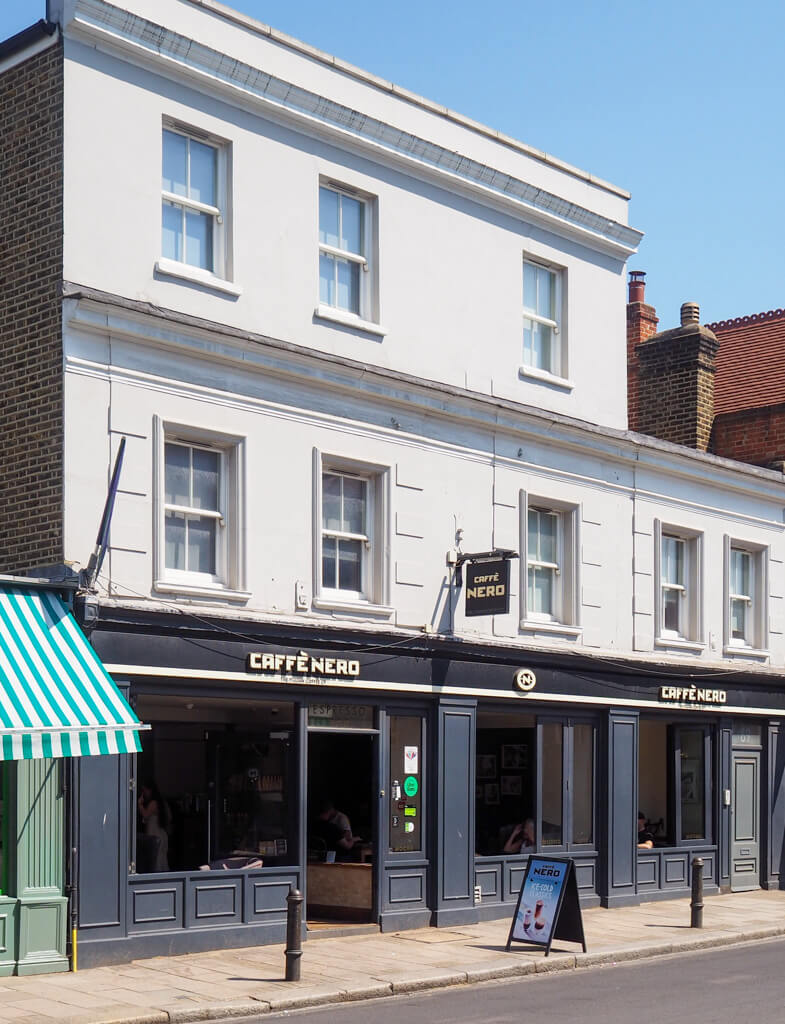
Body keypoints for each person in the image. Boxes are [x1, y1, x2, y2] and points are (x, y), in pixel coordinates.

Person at [138, 779, 170, 871]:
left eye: (144, 790)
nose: (143, 793)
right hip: (161, 834)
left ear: (150, 790)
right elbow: (169, 817)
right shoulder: (162, 802)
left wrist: (139, 804)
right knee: (161, 860)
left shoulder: (153, 803)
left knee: (156, 862)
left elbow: (145, 814)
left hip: (155, 836)